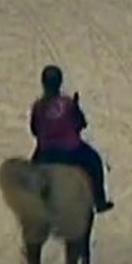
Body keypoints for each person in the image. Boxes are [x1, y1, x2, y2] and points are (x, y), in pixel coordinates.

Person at [28, 66, 113, 214]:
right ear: (60, 83)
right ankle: (100, 201)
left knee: (30, 179)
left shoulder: (38, 106)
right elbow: (81, 124)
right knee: (95, 162)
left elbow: (34, 131)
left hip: (46, 153)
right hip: (72, 150)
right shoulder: (68, 103)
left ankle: (34, 212)